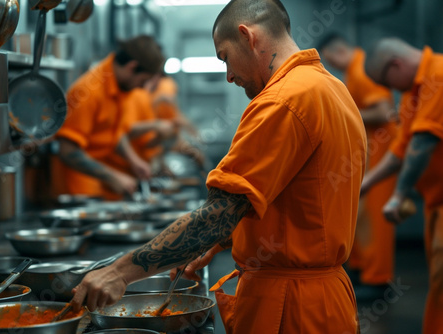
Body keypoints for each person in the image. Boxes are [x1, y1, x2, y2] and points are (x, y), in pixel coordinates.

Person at [71, 1, 366, 333]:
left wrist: (119, 272)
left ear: (247, 36)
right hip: (326, 299)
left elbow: (220, 212)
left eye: (225, 57)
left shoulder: (282, 101)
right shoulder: (330, 87)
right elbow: (300, 203)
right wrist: (225, 241)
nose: (228, 76)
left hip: (292, 306)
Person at [363, 37, 443, 334]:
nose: (394, 90)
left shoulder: (438, 76)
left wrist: (398, 195)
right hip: (436, 202)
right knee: (438, 279)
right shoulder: (414, 92)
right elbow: (401, 148)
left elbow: (423, 142)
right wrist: (365, 184)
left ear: (395, 65)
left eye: (389, 82)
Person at [317, 33, 398, 298]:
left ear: (338, 51)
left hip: (382, 150)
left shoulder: (362, 69)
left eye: (331, 60)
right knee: (363, 216)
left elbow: (385, 111)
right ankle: (365, 272)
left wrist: (345, 113)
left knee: (375, 218)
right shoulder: (355, 70)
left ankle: (378, 281)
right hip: (370, 152)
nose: (334, 66)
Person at [51, 36, 165, 200]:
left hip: (100, 184)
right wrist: (112, 176)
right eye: (143, 80)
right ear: (132, 67)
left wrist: (133, 160)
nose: (142, 87)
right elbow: (67, 150)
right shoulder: (88, 92)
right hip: (78, 190)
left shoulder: (119, 89)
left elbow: (112, 132)